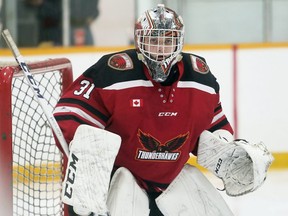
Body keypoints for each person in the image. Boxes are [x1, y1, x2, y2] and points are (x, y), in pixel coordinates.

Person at [53, 4, 273, 216]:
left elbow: (214, 128)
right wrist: (87, 172)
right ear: (139, 42)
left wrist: (226, 152)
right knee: (94, 143)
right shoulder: (115, 72)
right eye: (153, 40)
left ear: (179, 42)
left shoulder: (200, 79)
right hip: (121, 183)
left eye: (168, 41)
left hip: (173, 183)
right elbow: (69, 116)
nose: (160, 49)